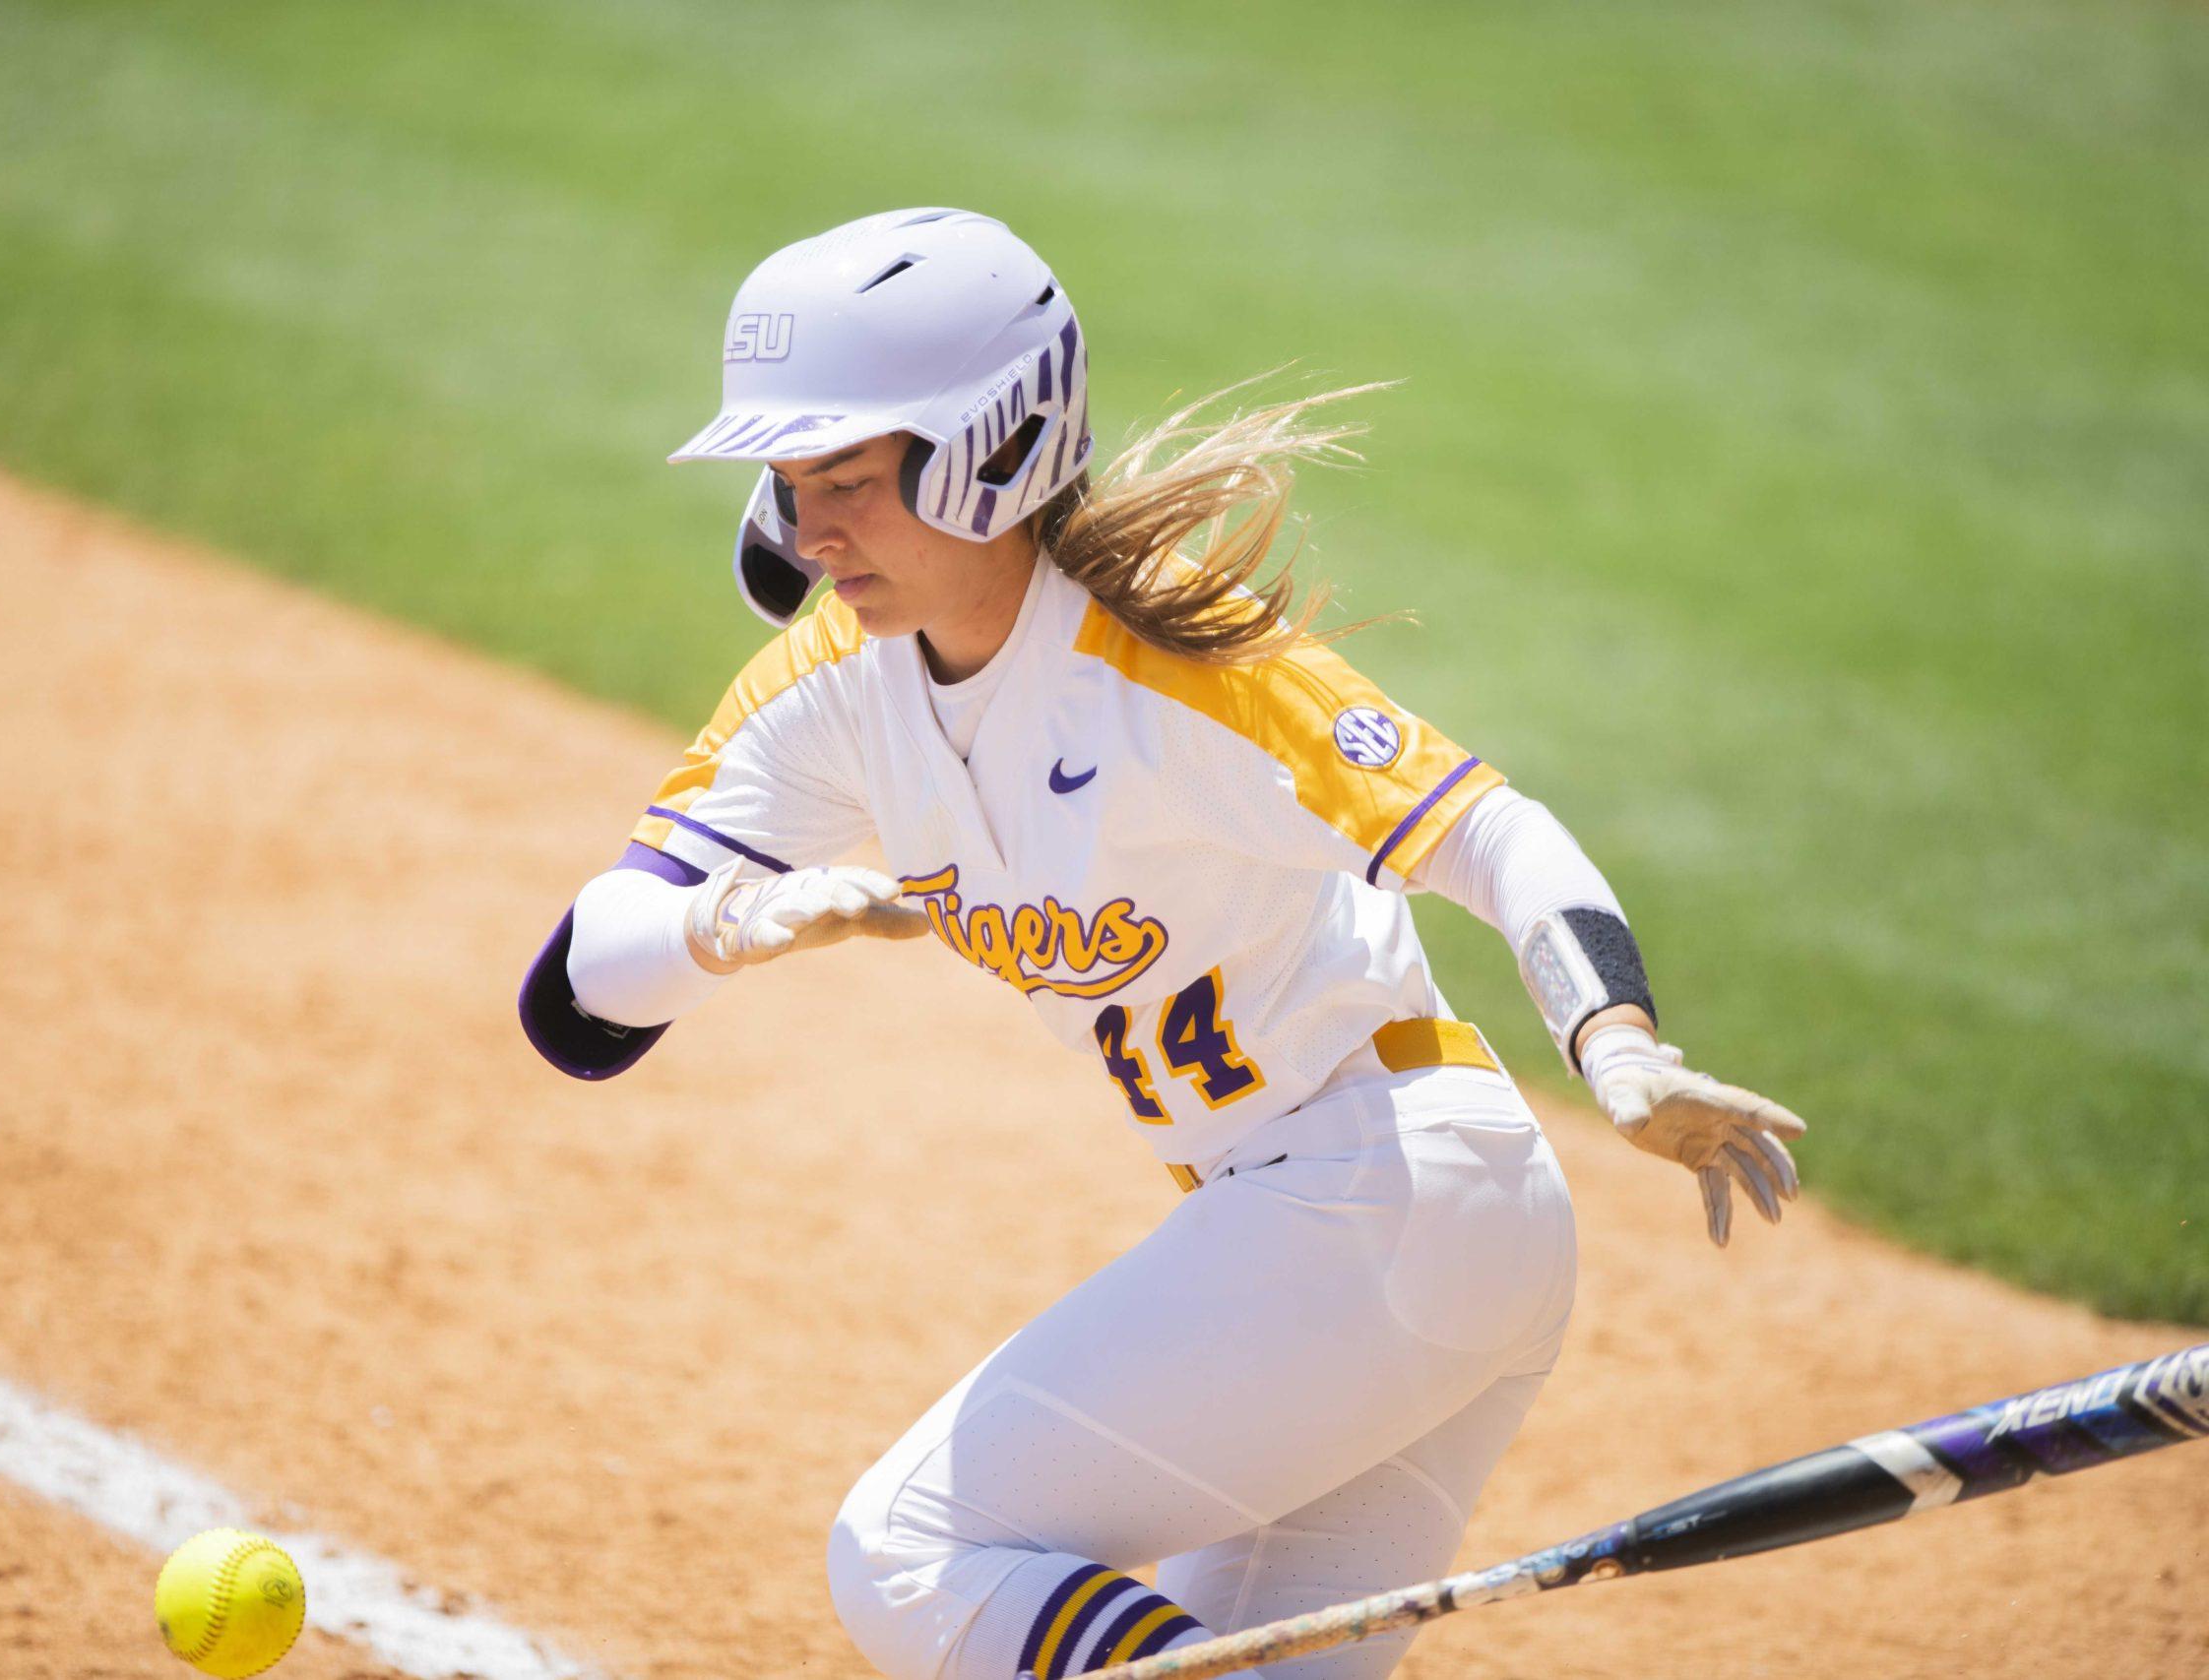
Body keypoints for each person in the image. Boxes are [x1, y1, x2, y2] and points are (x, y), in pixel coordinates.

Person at [519, 208, 1807, 1680]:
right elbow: (579, 994)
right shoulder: (832, 686)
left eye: (855, 482)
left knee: (912, 1549)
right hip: (1351, 1245)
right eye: (790, 482)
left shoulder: (1174, 667)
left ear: (989, 449)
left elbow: (1490, 830)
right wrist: (734, 920)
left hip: (1386, 1196)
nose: (811, 532)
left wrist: (1618, 1048)